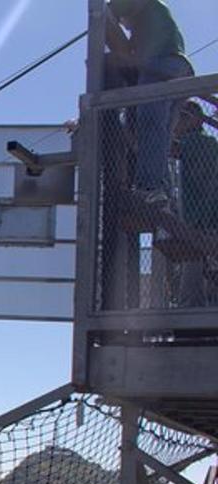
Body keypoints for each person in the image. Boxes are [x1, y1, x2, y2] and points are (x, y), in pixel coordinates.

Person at [106, 0, 194, 203]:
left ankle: (149, 187)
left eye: (124, 22)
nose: (125, 26)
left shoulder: (135, 4)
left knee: (150, 126)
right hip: (181, 69)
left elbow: (105, 15)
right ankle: (163, 191)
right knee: (162, 135)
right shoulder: (153, 21)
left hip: (160, 65)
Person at [174, 101, 218, 305]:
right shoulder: (209, 144)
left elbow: (171, 149)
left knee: (192, 276)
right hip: (206, 218)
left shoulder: (194, 142)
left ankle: (191, 311)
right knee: (205, 271)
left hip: (201, 220)